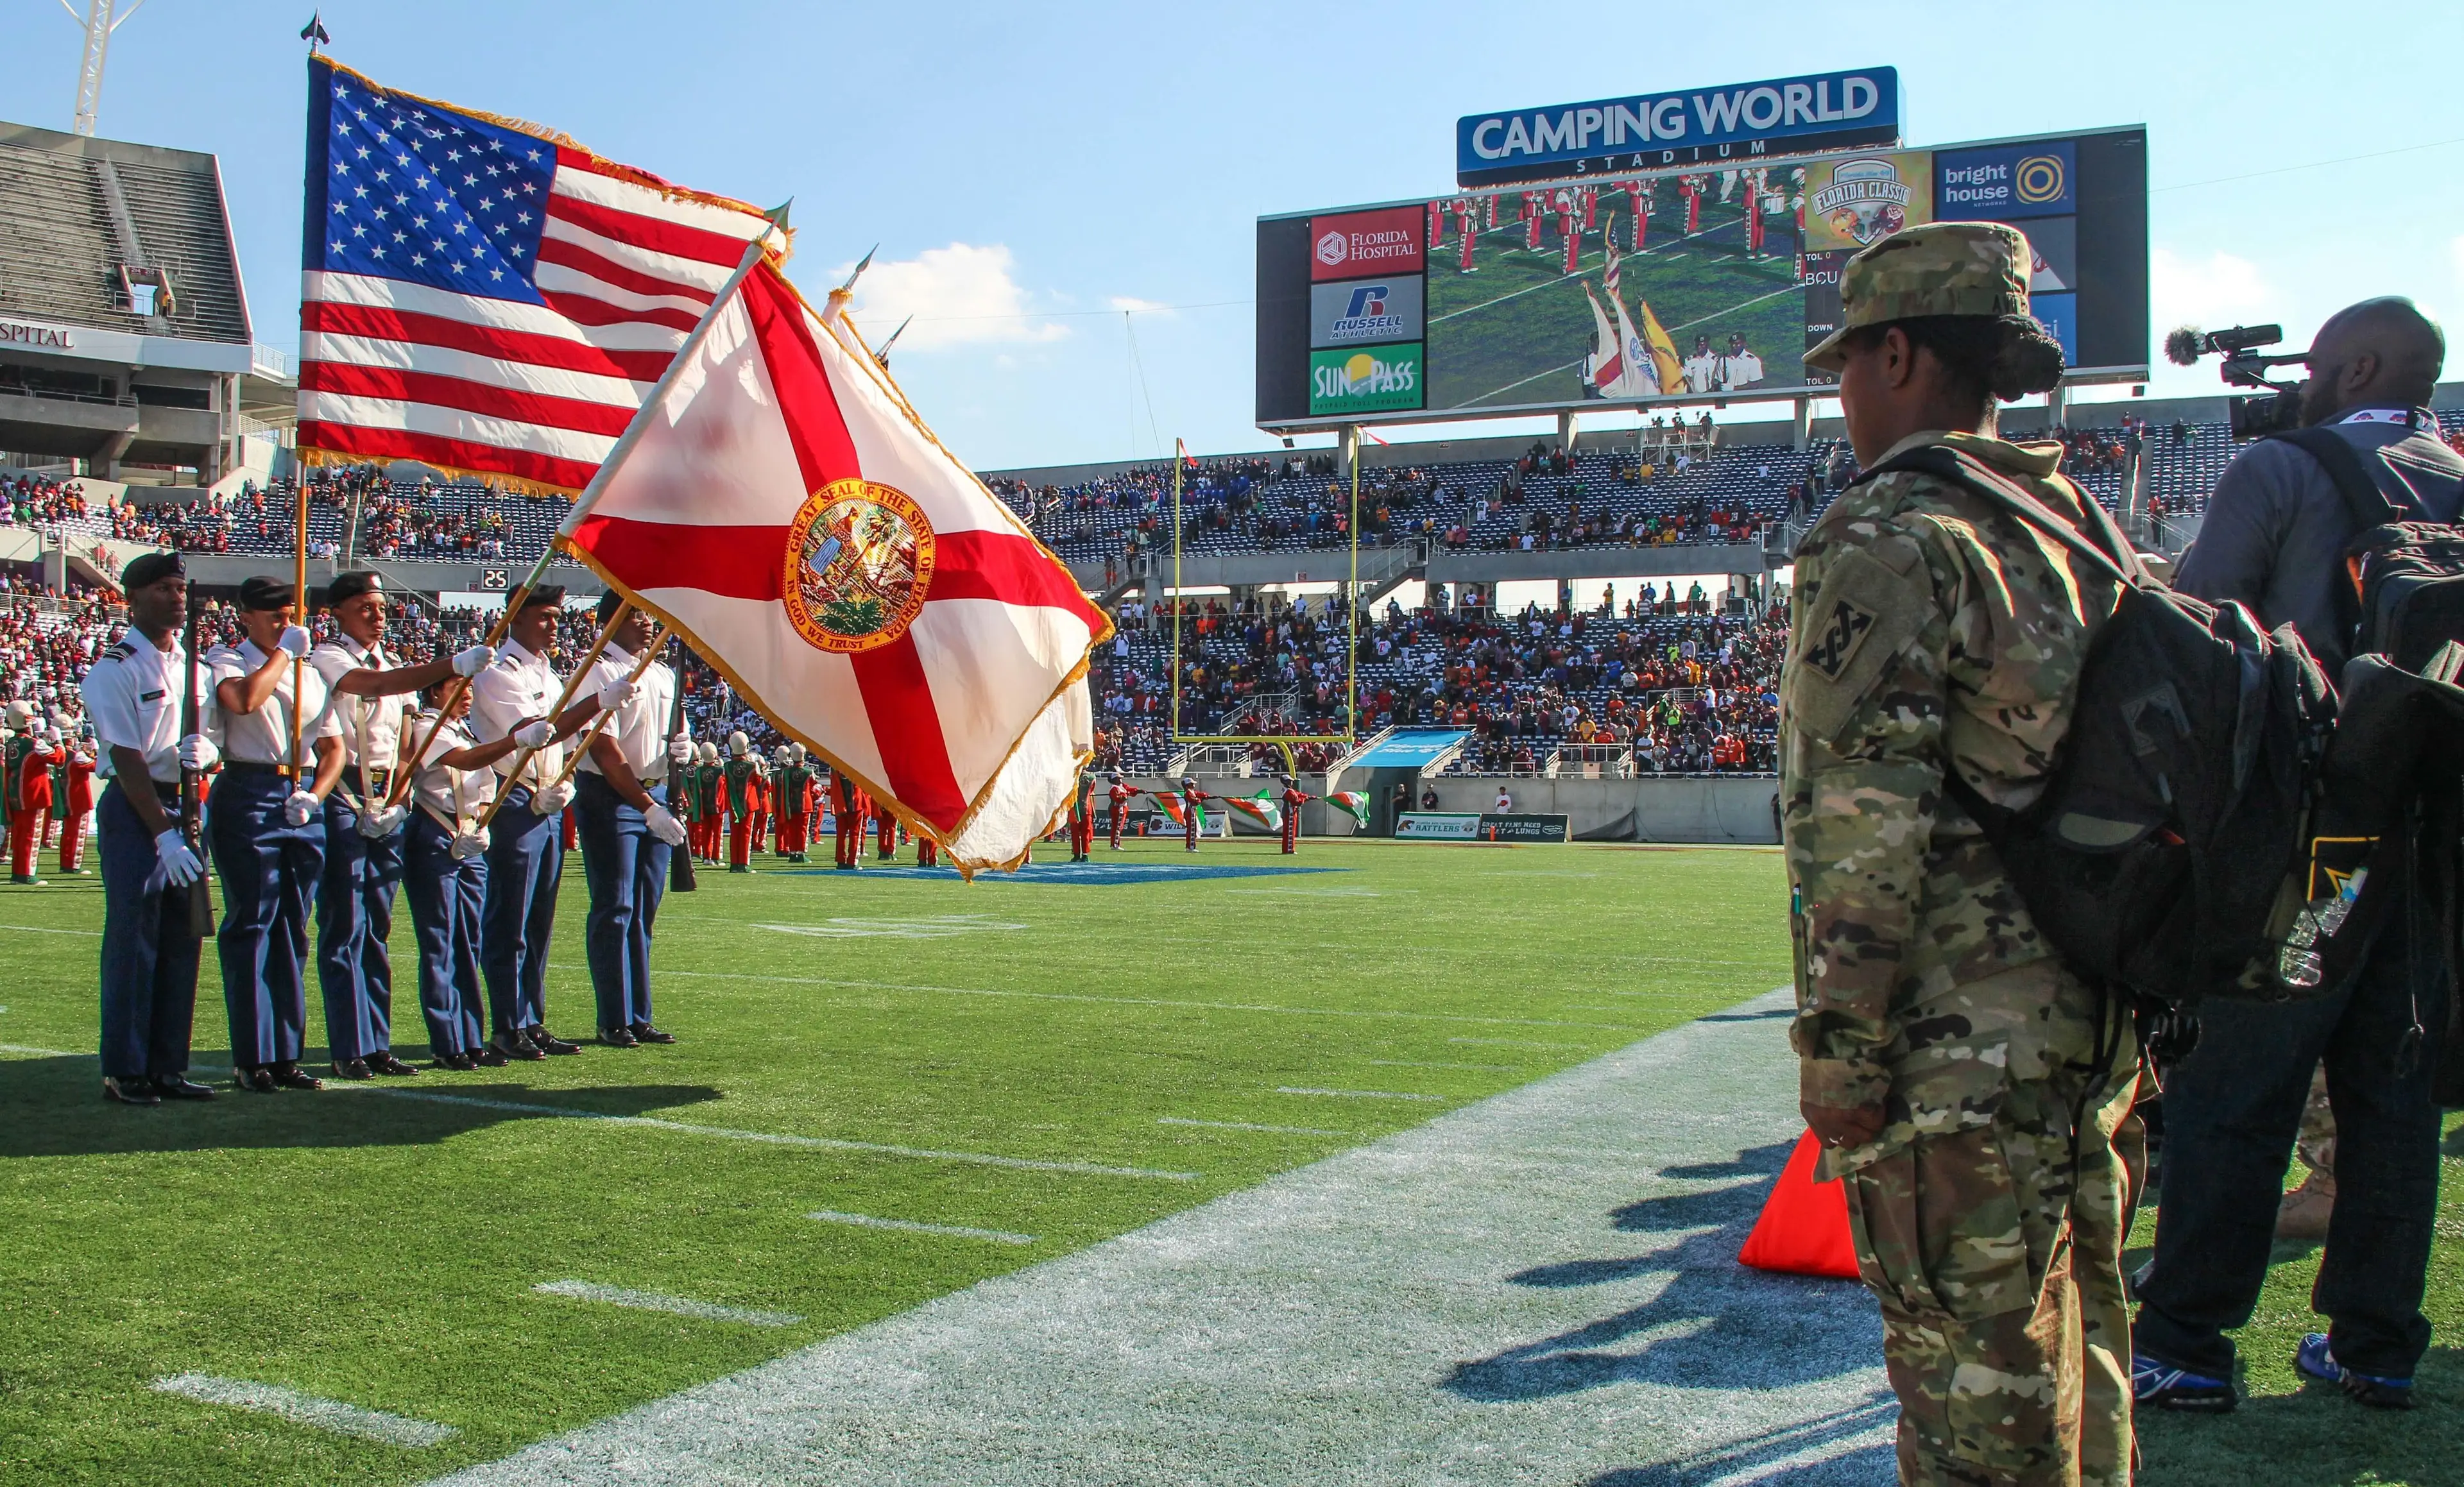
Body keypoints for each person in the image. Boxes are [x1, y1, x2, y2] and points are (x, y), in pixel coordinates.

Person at [1783, 221, 2139, 1484]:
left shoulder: (1893, 533)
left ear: (1895, 353)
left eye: (1847, 364)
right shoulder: (2080, 523)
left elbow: (1860, 822)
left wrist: (1840, 1047)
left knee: (1974, 1397)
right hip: (2090, 1014)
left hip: (1956, 1043)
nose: (1842, 395)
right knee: (2081, 1346)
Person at [2135, 296, 2461, 1412]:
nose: (2302, 384)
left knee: (2240, 1080)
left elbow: (2194, 624)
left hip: (2314, 835)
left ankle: (2185, 1340)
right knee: (2394, 1091)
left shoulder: (2288, 466)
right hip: (2429, 841)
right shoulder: (2457, 467)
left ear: (2359, 362)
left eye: (2319, 366)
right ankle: (2376, 1341)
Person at [310, 570, 495, 1080]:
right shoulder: (331, 657)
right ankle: (349, 1044)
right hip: (346, 795)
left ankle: (376, 1042)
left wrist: (400, 798)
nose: (378, 614)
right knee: (346, 925)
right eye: (366, 606)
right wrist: (449, 665)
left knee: (378, 927)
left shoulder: (391, 661)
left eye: (382, 605)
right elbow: (374, 687)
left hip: (388, 800)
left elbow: (406, 747)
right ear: (339, 612)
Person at [80, 552, 220, 1105]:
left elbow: (206, 740)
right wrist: (161, 833)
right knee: (134, 939)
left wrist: (209, 755)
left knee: (182, 937)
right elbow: (127, 757)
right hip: (140, 810)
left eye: (180, 588)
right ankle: (125, 1068)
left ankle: (168, 1065)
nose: (176, 597)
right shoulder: (116, 668)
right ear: (131, 599)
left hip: (186, 804)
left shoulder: (193, 666)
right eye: (163, 588)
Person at [208, 575, 348, 1094]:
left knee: (294, 927)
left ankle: (287, 1053)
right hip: (249, 788)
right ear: (246, 615)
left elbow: (332, 746)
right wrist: (283, 657)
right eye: (273, 615)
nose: (284, 624)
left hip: (299, 797)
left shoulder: (310, 672)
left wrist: (316, 794)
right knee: (252, 923)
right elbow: (244, 701)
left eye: (290, 615)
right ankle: (252, 1055)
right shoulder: (229, 658)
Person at [468, 586, 610, 1062]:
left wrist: (563, 776)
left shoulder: (548, 674)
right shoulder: (497, 675)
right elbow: (536, 734)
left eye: (556, 617)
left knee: (539, 923)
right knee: (510, 920)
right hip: (513, 802)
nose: (554, 625)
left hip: (547, 801)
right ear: (517, 619)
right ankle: (507, 1025)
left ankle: (532, 1017)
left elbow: (558, 746)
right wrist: (597, 703)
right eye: (545, 616)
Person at [572, 599, 687, 1048]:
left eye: (649, 616)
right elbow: (605, 751)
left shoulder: (661, 671)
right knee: (615, 908)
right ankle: (613, 1017)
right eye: (636, 615)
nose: (647, 623)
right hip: (614, 796)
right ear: (609, 622)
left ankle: (640, 1015)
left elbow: (677, 725)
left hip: (655, 791)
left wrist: (684, 747)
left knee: (644, 912)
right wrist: (646, 808)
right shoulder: (598, 670)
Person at [398, 681, 521, 1069]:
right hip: (436, 830)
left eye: (470, 687)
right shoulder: (426, 726)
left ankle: (470, 1036)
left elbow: (486, 783)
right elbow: (463, 762)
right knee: (440, 938)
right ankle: (445, 1039)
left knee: (469, 938)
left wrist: (483, 819)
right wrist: (515, 740)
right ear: (435, 693)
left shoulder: (466, 729)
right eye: (457, 686)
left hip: (468, 833)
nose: (467, 693)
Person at [8, 712, 61, 885]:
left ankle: (17, 873)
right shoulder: (34, 744)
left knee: (19, 836)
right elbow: (58, 758)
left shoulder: (11, 742)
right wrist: (59, 741)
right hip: (33, 794)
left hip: (16, 794)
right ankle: (27, 874)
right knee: (32, 835)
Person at [56, 731, 96, 876]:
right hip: (78, 798)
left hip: (65, 796)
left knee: (67, 832)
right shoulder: (76, 756)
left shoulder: (62, 754)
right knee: (77, 833)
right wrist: (95, 752)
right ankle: (73, 865)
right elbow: (94, 766)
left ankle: (66, 863)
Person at [721, 732, 759, 873]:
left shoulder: (727, 766)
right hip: (748, 804)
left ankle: (734, 863)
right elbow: (758, 782)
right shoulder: (752, 766)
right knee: (746, 834)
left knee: (735, 834)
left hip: (733, 804)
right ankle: (744, 863)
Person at [776, 744, 814, 863]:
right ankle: (801, 853)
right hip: (805, 805)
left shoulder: (786, 772)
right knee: (802, 830)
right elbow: (814, 789)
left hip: (790, 804)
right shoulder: (809, 772)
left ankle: (793, 853)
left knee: (792, 830)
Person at [1278, 772, 1307, 855]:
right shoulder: (1289, 792)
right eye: (1289, 781)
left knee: (1288, 831)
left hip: (1287, 812)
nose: (1291, 782)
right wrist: (1305, 799)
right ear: (1286, 782)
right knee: (1290, 832)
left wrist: (1306, 796)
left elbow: (1298, 795)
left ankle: (1286, 849)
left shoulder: (1288, 790)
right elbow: (1297, 802)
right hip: (1289, 812)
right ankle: (1290, 850)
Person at [1108, 770, 1133, 849]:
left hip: (1122, 808)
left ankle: (1116, 844)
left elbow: (1130, 790)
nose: (1121, 780)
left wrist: (1139, 791)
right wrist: (1125, 795)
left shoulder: (1121, 787)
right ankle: (1114, 845)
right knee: (1117, 827)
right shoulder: (1114, 788)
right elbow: (1118, 799)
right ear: (1115, 779)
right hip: (1118, 809)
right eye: (1119, 778)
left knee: (1119, 827)